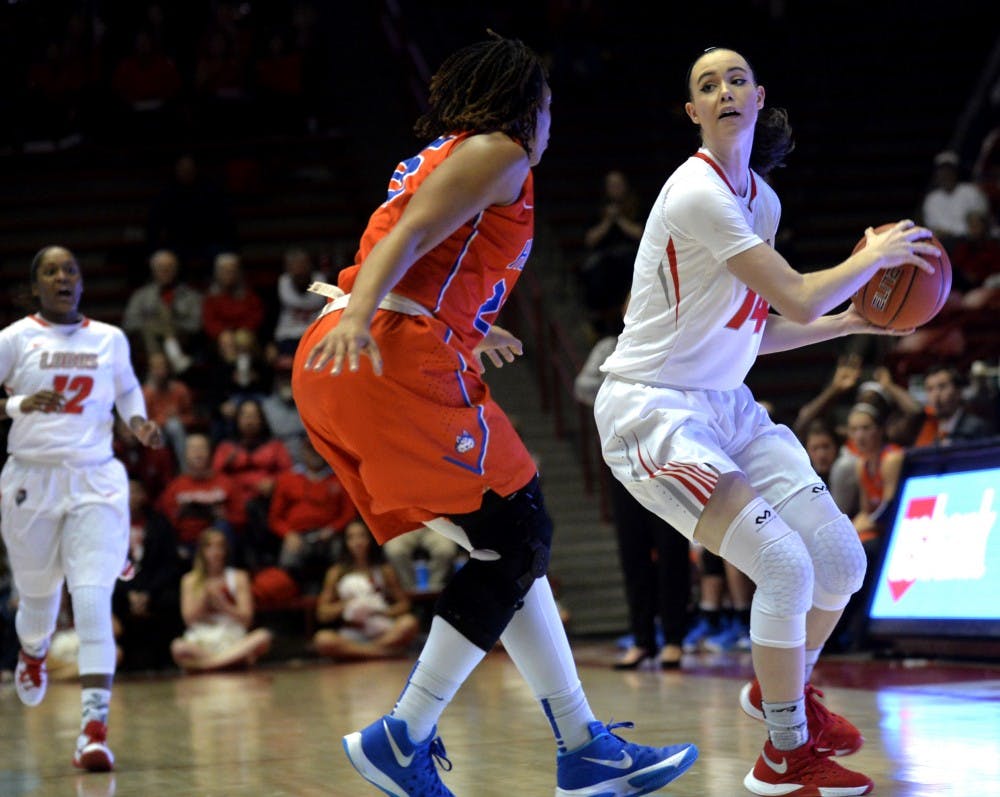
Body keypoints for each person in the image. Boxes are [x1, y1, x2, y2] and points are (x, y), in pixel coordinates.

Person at [292, 33, 697, 797]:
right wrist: (367, 317)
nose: (551, 124)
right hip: (380, 353)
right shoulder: (500, 152)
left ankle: (584, 745)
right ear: (529, 108)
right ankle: (403, 734)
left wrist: (472, 325)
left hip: (363, 355)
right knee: (521, 533)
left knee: (507, 553)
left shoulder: (454, 152)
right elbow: (407, 235)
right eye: (548, 108)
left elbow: (429, 252)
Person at [592, 47, 940, 796]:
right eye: (706, 84)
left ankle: (782, 690)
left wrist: (851, 321)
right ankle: (785, 752)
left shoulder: (764, 203)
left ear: (757, 98)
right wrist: (873, 257)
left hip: (726, 402)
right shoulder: (695, 192)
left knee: (842, 563)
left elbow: (762, 325)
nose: (723, 89)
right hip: (652, 409)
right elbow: (797, 295)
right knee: (783, 565)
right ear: (694, 112)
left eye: (736, 78)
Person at [0, 245, 164, 772]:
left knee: (92, 601)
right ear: (35, 287)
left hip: (95, 477)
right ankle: (32, 650)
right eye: (50, 270)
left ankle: (93, 731)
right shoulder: (13, 339)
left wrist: (137, 421)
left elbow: (128, 388)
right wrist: (19, 404)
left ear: (81, 283)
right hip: (30, 477)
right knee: (38, 598)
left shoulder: (108, 339)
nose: (62, 276)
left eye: (71, 269)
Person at [574, 314, 692, 669]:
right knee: (633, 552)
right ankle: (642, 639)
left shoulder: (674, 341)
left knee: (672, 550)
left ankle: (674, 638)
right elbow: (582, 386)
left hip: (668, 459)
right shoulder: (611, 347)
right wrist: (620, 387)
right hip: (624, 460)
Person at [312, 519, 420, 661]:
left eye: (362, 536)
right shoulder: (336, 572)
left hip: (382, 628)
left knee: (409, 623)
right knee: (322, 639)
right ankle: (382, 653)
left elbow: (404, 604)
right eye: (351, 537)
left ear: (370, 538)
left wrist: (380, 610)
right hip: (352, 632)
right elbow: (322, 612)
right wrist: (346, 605)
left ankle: (362, 653)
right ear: (345, 542)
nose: (357, 542)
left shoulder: (384, 570)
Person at [170, 527, 272, 672]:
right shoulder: (190, 580)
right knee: (178, 647)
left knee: (263, 637)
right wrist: (204, 599)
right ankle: (231, 662)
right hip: (202, 637)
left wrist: (223, 605)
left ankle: (207, 665)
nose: (215, 552)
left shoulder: (238, 577)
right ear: (202, 551)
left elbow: (247, 619)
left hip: (232, 635)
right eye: (210, 547)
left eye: (220, 546)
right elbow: (189, 620)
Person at [121, 248, 204, 375]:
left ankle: (159, 367)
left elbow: (196, 324)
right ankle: (174, 358)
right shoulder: (140, 296)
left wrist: (171, 326)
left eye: (169, 267)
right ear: (153, 270)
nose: (165, 271)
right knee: (149, 327)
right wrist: (155, 325)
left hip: (183, 340)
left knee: (158, 324)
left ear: (176, 269)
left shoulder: (191, 297)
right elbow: (130, 323)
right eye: (160, 267)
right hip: (147, 344)